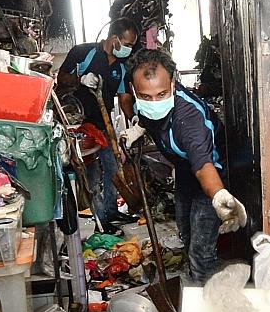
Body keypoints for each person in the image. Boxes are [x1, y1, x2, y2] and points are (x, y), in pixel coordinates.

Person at [119, 49, 246, 282]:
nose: (154, 102)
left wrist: (218, 195)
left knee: (200, 251)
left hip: (212, 176)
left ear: (173, 83)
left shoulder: (189, 119)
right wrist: (139, 128)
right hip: (185, 172)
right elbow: (143, 111)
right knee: (185, 232)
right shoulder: (144, 102)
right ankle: (197, 277)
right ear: (134, 89)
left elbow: (203, 165)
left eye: (162, 94)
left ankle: (209, 293)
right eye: (146, 96)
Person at [58, 18, 139, 232]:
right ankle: (101, 222)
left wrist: (135, 120)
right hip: (79, 128)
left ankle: (112, 211)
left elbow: (124, 98)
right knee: (92, 177)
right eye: (127, 44)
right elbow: (60, 79)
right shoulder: (83, 52)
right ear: (114, 39)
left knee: (113, 168)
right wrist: (80, 79)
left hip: (103, 125)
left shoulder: (121, 67)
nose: (130, 49)